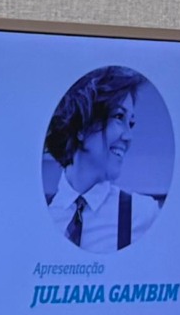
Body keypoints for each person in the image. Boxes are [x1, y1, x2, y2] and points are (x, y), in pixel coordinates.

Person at [44, 65, 163, 250]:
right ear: (82, 126)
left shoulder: (142, 215)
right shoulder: (40, 215)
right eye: (118, 116)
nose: (128, 136)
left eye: (130, 123)